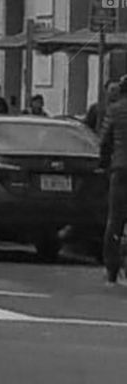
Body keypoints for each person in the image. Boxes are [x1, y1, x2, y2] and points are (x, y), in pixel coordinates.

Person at [99, 73, 127, 284]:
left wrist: (103, 164)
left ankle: (111, 268)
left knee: (115, 219)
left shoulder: (115, 110)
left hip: (120, 168)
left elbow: (104, 142)